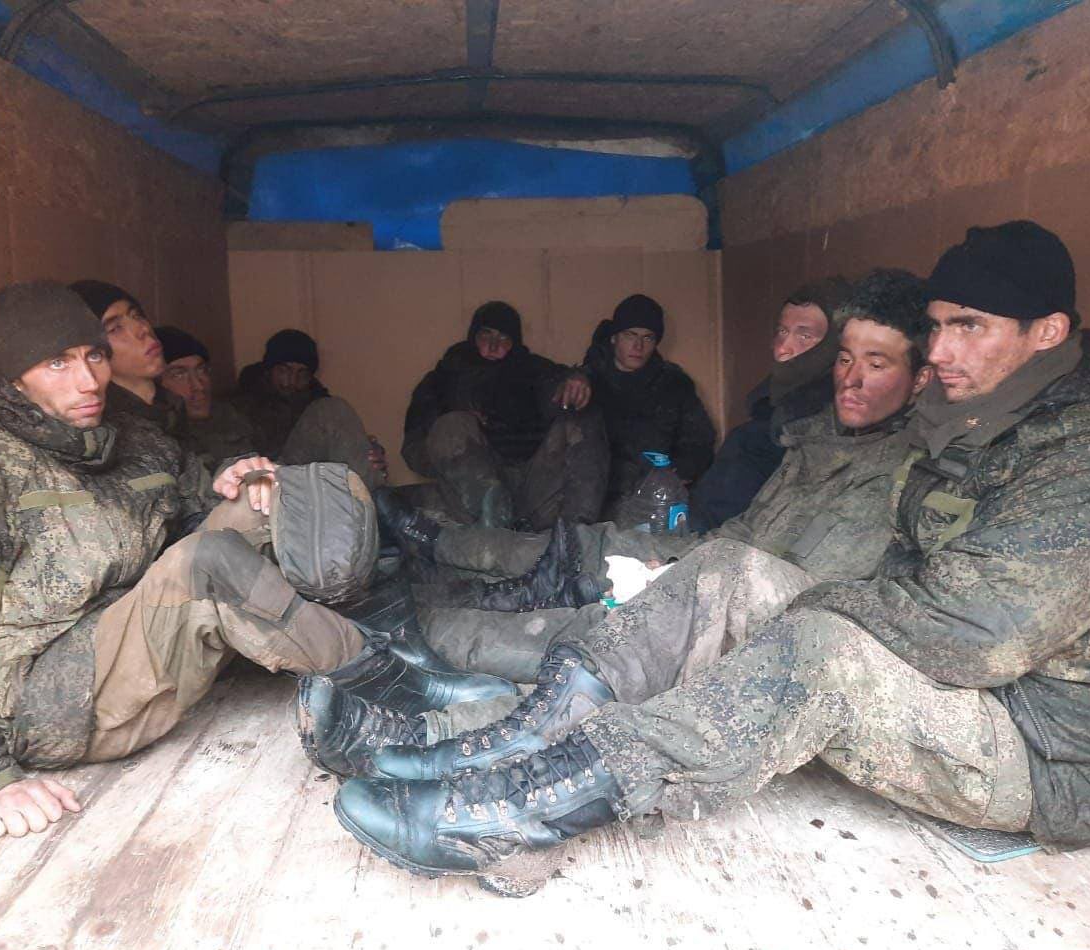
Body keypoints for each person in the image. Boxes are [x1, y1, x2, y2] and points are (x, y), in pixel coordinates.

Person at [332, 221, 1090, 878]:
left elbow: (975, 633)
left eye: (969, 327)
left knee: (820, 646)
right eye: (939, 327)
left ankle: (523, 808)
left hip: (1043, 750)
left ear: (1048, 331)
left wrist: (796, 615)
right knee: (729, 571)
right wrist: (762, 599)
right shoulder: (988, 414)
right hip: (951, 682)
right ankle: (517, 741)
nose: (944, 349)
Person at [0, 282, 504, 840]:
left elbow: (197, 512)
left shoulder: (125, 437)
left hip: (132, 639)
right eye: (57, 363)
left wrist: (238, 477)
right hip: (45, 700)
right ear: (13, 377)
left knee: (269, 500)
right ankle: (395, 689)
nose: (87, 381)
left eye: (94, 356)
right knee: (207, 563)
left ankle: (397, 642)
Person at [304, 269, 932, 761]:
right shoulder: (815, 438)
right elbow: (743, 535)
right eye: (845, 359)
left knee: (582, 650)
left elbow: (802, 598)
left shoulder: (900, 471)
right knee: (571, 606)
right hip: (686, 559)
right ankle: (402, 624)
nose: (850, 378)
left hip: (730, 613)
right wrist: (676, 565)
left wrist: (680, 553)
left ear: (921, 376)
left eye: (874, 363)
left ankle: (416, 717)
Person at [401, 301, 608, 530]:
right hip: (470, 496)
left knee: (583, 414)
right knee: (452, 425)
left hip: (533, 489)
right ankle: (493, 516)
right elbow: (413, 451)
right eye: (486, 335)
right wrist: (461, 441)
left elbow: (556, 387)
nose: (493, 346)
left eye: (503, 338)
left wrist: (577, 380)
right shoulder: (442, 380)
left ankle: (576, 533)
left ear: (514, 342)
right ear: (473, 336)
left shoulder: (531, 370)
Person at [689, 277, 853, 531]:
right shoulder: (768, 410)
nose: (783, 349)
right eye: (782, 332)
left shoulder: (837, 421)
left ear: (834, 345)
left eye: (805, 335)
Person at [583, 294, 715, 518]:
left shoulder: (674, 384)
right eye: (630, 335)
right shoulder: (588, 382)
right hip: (596, 498)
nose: (638, 346)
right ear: (614, 337)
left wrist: (677, 474)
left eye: (648, 337)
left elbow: (699, 441)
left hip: (656, 498)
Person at [234, 329, 388, 489]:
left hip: (314, 486)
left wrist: (365, 452)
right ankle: (378, 498)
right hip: (267, 482)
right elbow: (237, 465)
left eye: (301, 374)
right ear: (269, 370)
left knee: (334, 412)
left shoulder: (316, 402)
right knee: (331, 410)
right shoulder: (241, 407)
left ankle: (376, 495)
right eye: (283, 371)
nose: (291, 382)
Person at [70, 280, 186, 437]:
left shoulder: (174, 406)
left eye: (137, 316)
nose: (143, 329)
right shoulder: (106, 431)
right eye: (115, 328)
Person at [155, 325, 261, 473]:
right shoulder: (154, 438)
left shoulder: (233, 420)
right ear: (156, 385)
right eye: (179, 375)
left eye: (201, 370)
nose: (198, 385)